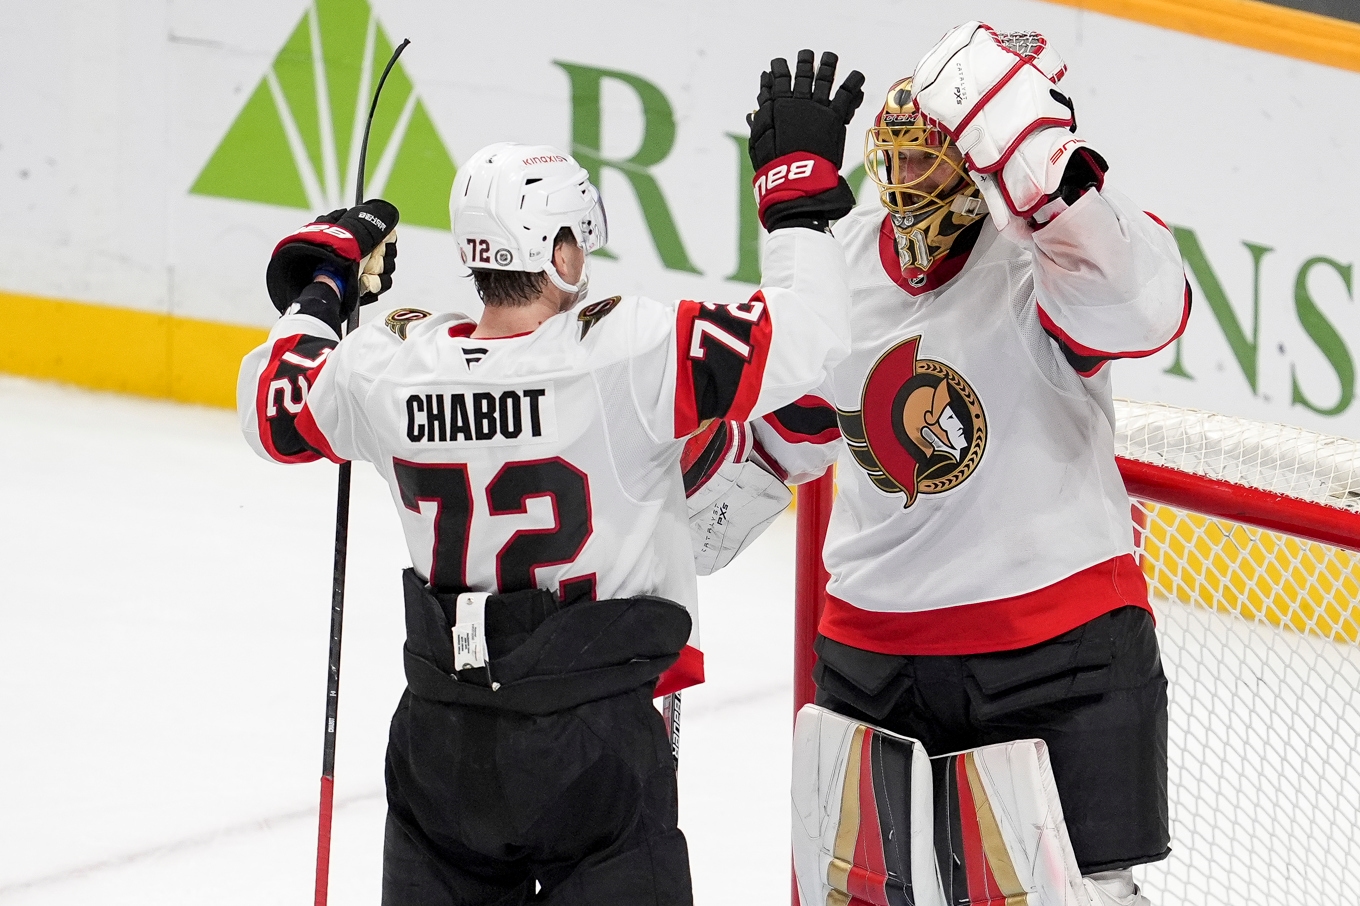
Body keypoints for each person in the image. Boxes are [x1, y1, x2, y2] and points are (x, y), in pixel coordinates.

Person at [237, 52, 862, 906]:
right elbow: (810, 336)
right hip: (590, 746)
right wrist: (795, 191)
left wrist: (322, 287)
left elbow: (272, 408)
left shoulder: (394, 366)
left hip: (442, 740)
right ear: (559, 249)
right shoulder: (625, 351)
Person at [755, 23, 1190, 906]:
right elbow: (781, 427)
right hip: (872, 661)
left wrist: (1049, 178)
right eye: (898, 161)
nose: (906, 182)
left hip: (1055, 656)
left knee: (1092, 896)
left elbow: (1148, 307)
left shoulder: (1044, 256)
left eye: (931, 163)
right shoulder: (845, 266)